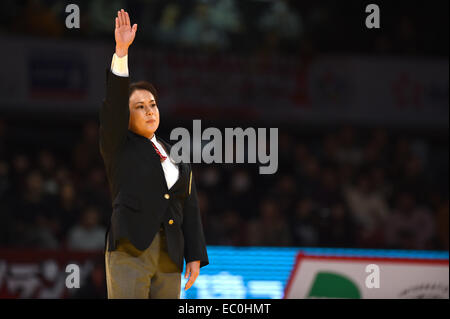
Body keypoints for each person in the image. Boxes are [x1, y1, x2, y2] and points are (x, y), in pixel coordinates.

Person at [99, 9, 209, 299]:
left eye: (153, 105)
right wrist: (121, 52)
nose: (149, 111)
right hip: (130, 249)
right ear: (126, 116)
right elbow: (113, 106)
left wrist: (195, 254)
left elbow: (190, 205)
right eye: (140, 107)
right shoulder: (118, 145)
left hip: (170, 255)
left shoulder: (175, 154)